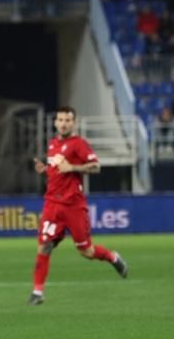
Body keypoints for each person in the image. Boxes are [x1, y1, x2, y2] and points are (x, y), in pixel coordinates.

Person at [27, 107, 128, 306]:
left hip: (73, 206)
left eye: (68, 120)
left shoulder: (79, 144)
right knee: (44, 246)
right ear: (55, 122)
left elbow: (96, 166)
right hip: (52, 204)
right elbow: (57, 171)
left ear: (74, 123)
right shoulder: (53, 143)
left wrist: (72, 167)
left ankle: (112, 257)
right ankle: (37, 292)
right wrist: (46, 169)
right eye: (60, 119)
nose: (63, 123)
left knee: (86, 251)